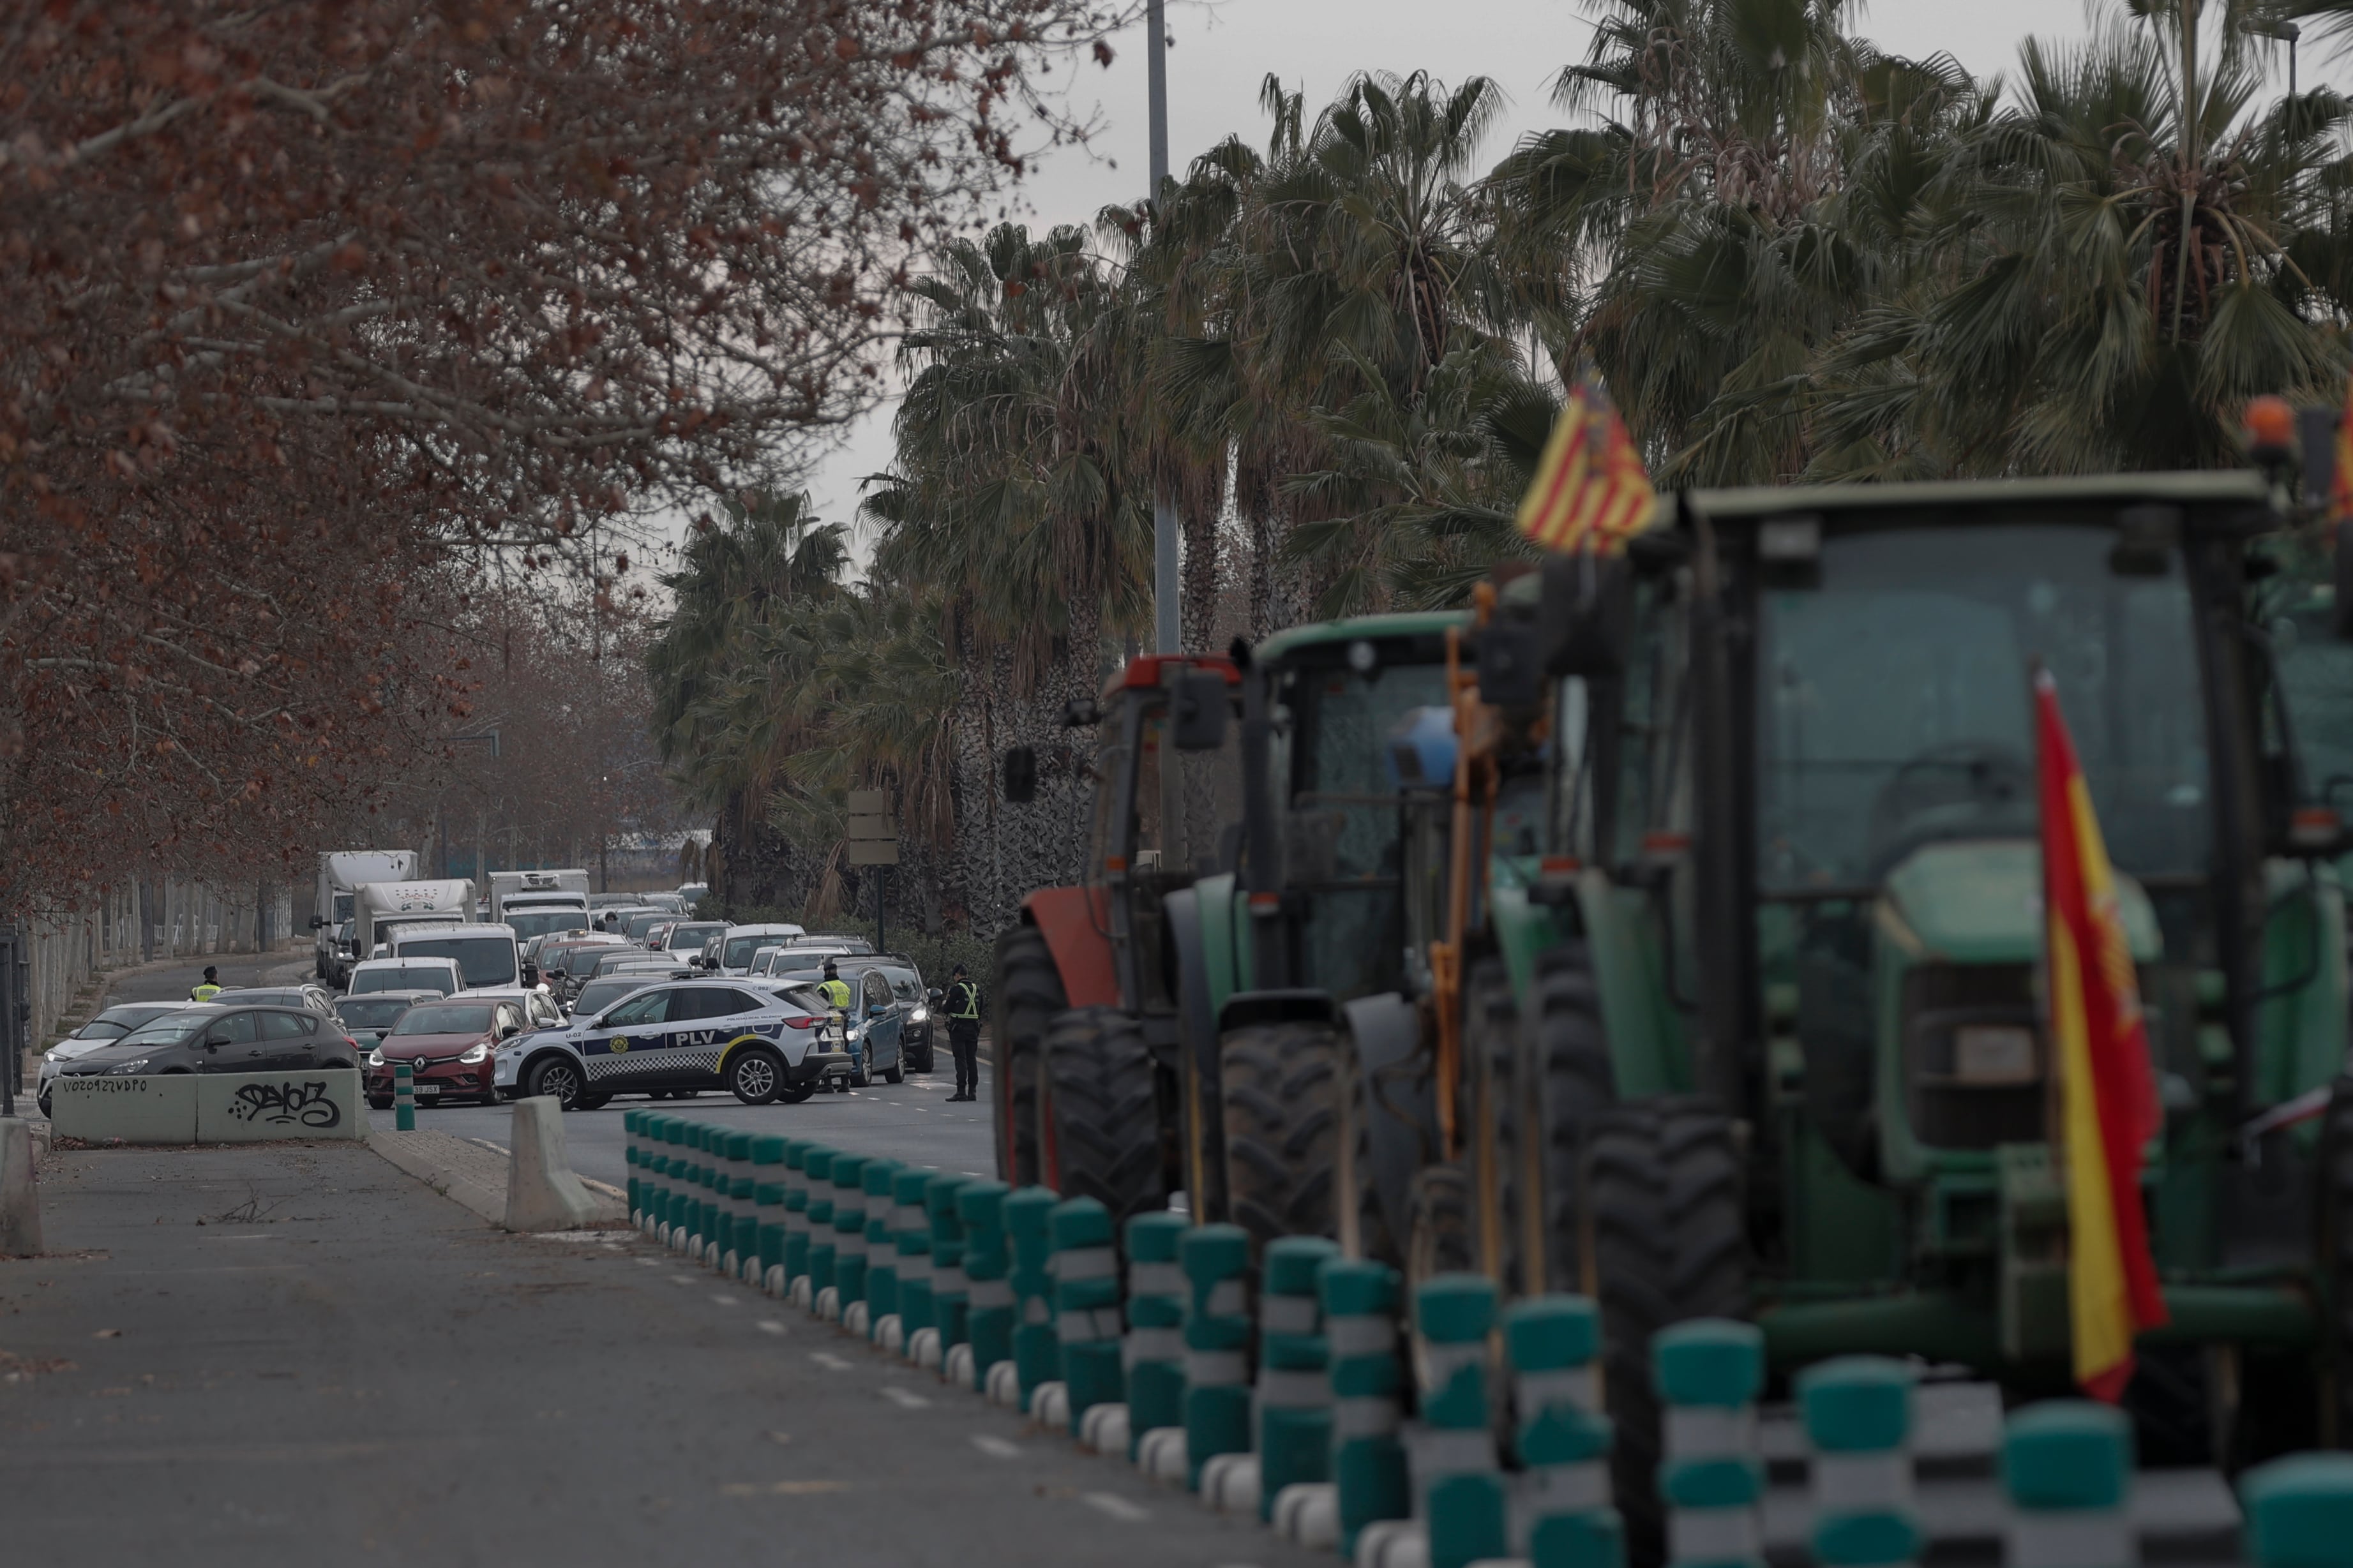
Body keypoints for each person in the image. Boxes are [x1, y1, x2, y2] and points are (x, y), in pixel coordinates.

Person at [945, 963, 982, 1103]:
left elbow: (947, 1009)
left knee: (961, 1059)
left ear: (957, 975)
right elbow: (981, 1009)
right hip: (973, 1029)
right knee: (972, 1059)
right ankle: (973, 1091)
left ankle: (961, 1091)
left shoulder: (956, 989)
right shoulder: (977, 989)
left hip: (959, 1028)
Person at [819, 960, 857, 1085]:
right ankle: (845, 1083)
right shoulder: (843, 986)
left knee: (828, 1050)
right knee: (843, 1049)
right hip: (843, 1020)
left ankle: (828, 1084)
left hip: (830, 1022)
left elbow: (821, 1006)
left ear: (827, 972)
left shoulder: (824, 987)